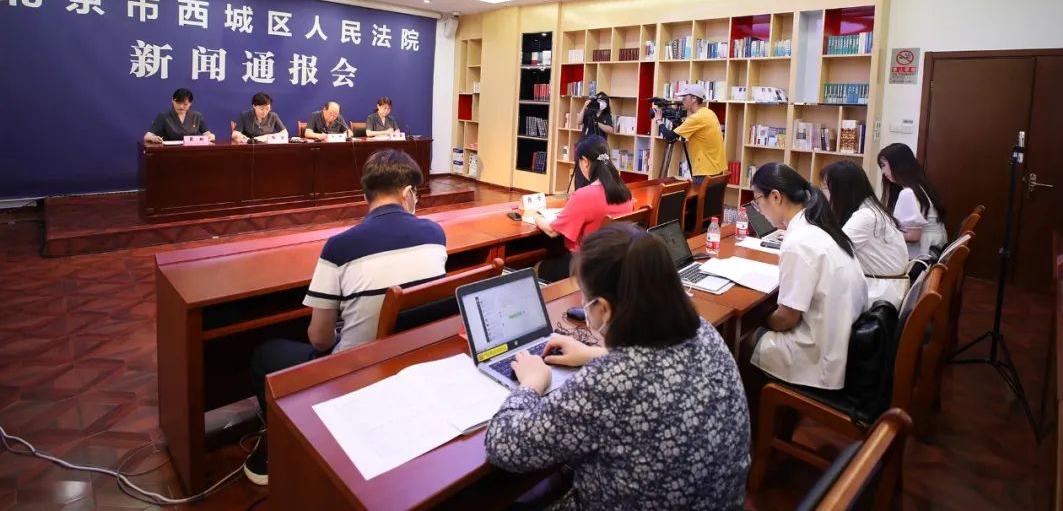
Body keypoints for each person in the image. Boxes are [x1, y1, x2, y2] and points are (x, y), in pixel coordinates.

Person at [485, 223, 751, 510]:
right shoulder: (703, 331)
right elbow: (656, 369)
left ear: (604, 309)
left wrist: (530, 383)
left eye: (585, 297)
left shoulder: (611, 382)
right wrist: (594, 354)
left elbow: (503, 446)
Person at [244, 149, 447, 485]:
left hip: (354, 370)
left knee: (264, 354)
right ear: (408, 193)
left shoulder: (339, 247)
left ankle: (275, 448)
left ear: (366, 194)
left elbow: (319, 339)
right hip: (413, 356)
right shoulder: (435, 235)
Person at [749, 163, 868, 390]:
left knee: (744, 340)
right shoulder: (819, 226)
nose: (758, 209)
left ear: (775, 197)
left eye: (757, 201)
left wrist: (758, 318)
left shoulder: (798, 242)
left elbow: (786, 319)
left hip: (818, 354)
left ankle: (756, 406)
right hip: (844, 337)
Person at [534, 136, 634, 282]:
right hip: (614, 266)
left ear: (585, 162)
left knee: (534, 268)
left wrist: (536, 217)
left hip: (583, 266)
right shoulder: (625, 193)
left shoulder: (584, 196)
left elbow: (552, 231)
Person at [821, 161, 909, 309]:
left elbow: (831, 252)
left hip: (880, 297)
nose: (822, 193)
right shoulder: (870, 208)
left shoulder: (865, 217)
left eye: (825, 187)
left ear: (841, 190)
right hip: (886, 288)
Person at [877, 143, 948, 258]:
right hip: (934, 248)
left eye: (884, 165)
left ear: (898, 164)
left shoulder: (908, 193)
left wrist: (885, 235)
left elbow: (913, 236)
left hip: (923, 254)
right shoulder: (920, 186)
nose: (883, 172)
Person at [657, 83, 726, 184]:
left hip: (705, 173)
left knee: (695, 194)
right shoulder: (709, 113)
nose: (682, 100)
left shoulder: (696, 118)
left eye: (685, 97)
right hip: (718, 171)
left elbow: (670, 136)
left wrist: (659, 120)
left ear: (694, 98)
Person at [573, 92, 615, 189]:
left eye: (603, 101)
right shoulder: (589, 112)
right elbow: (578, 122)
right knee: (581, 170)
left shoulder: (606, 115)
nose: (600, 103)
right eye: (599, 100)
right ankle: (580, 190)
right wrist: (584, 106)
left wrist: (597, 123)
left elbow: (611, 130)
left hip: (598, 149)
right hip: (584, 146)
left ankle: (593, 190)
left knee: (595, 170)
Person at [144, 87, 214, 143]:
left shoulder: (197, 116)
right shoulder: (163, 116)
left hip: (193, 150)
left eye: (185, 104)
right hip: (170, 151)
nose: (181, 107)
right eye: (178, 103)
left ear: (190, 103)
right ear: (172, 101)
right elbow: (147, 136)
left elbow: (207, 134)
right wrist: (154, 138)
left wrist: (211, 136)